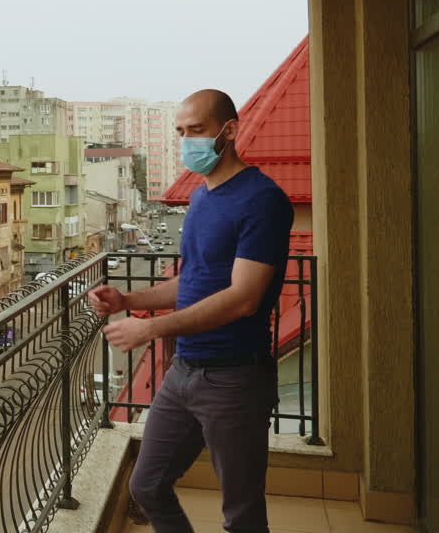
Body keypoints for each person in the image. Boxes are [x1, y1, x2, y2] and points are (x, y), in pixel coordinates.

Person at [87, 89, 292, 533]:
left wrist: (151, 329)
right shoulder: (201, 199)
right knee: (147, 485)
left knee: (242, 513)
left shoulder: (262, 199)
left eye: (196, 131)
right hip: (185, 371)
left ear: (229, 130)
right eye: (180, 132)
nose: (186, 142)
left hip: (234, 378)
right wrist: (129, 301)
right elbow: (192, 282)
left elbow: (243, 297)